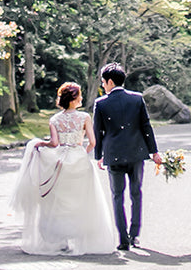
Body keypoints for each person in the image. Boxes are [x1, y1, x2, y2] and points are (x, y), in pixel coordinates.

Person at [10, 82, 117, 255]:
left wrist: (40, 144)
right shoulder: (84, 118)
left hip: (60, 162)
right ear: (74, 99)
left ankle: (62, 239)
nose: (82, 98)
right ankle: (81, 239)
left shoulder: (55, 119)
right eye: (80, 95)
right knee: (82, 200)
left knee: (59, 201)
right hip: (79, 159)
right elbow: (93, 142)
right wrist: (83, 152)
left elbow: (54, 143)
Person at [92, 62, 162, 251]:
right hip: (136, 153)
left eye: (103, 82)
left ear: (110, 82)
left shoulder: (101, 103)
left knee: (117, 196)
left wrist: (98, 155)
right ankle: (135, 235)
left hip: (113, 155)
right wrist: (153, 151)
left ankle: (123, 239)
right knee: (136, 193)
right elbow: (146, 127)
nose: (103, 85)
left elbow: (97, 131)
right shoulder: (137, 99)